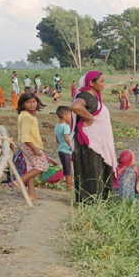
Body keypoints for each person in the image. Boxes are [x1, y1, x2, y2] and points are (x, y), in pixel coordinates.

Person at [71, 71, 118, 203]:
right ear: (91, 83)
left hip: (96, 143)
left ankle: (98, 201)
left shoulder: (93, 97)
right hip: (90, 144)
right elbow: (75, 106)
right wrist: (90, 116)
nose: (104, 84)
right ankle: (92, 202)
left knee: (97, 171)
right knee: (92, 172)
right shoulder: (86, 96)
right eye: (101, 81)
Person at [17, 92, 59, 200]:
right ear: (23, 104)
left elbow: (30, 132)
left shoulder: (29, 115)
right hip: (28, 144)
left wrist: (40, 139)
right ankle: (19, 180)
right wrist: (34, 149)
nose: (31, 104)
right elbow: (26, 136)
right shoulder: (26, 117)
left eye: (33, 102)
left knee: (32, 167)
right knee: (43, 166)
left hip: (27, 143)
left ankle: (32, 194)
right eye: (28, 102)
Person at [54, 106, 73, 191]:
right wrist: (72, 148)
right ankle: (69, 189)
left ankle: (67, 186)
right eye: (70, 115)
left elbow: (57, 139)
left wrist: (61, 144)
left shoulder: (57, 126)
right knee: (69, 171)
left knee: (66, 169)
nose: (71, 117)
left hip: (61, 149)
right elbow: (66, 138)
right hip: (66, 151)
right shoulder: (66, 127)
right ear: (64, 116)